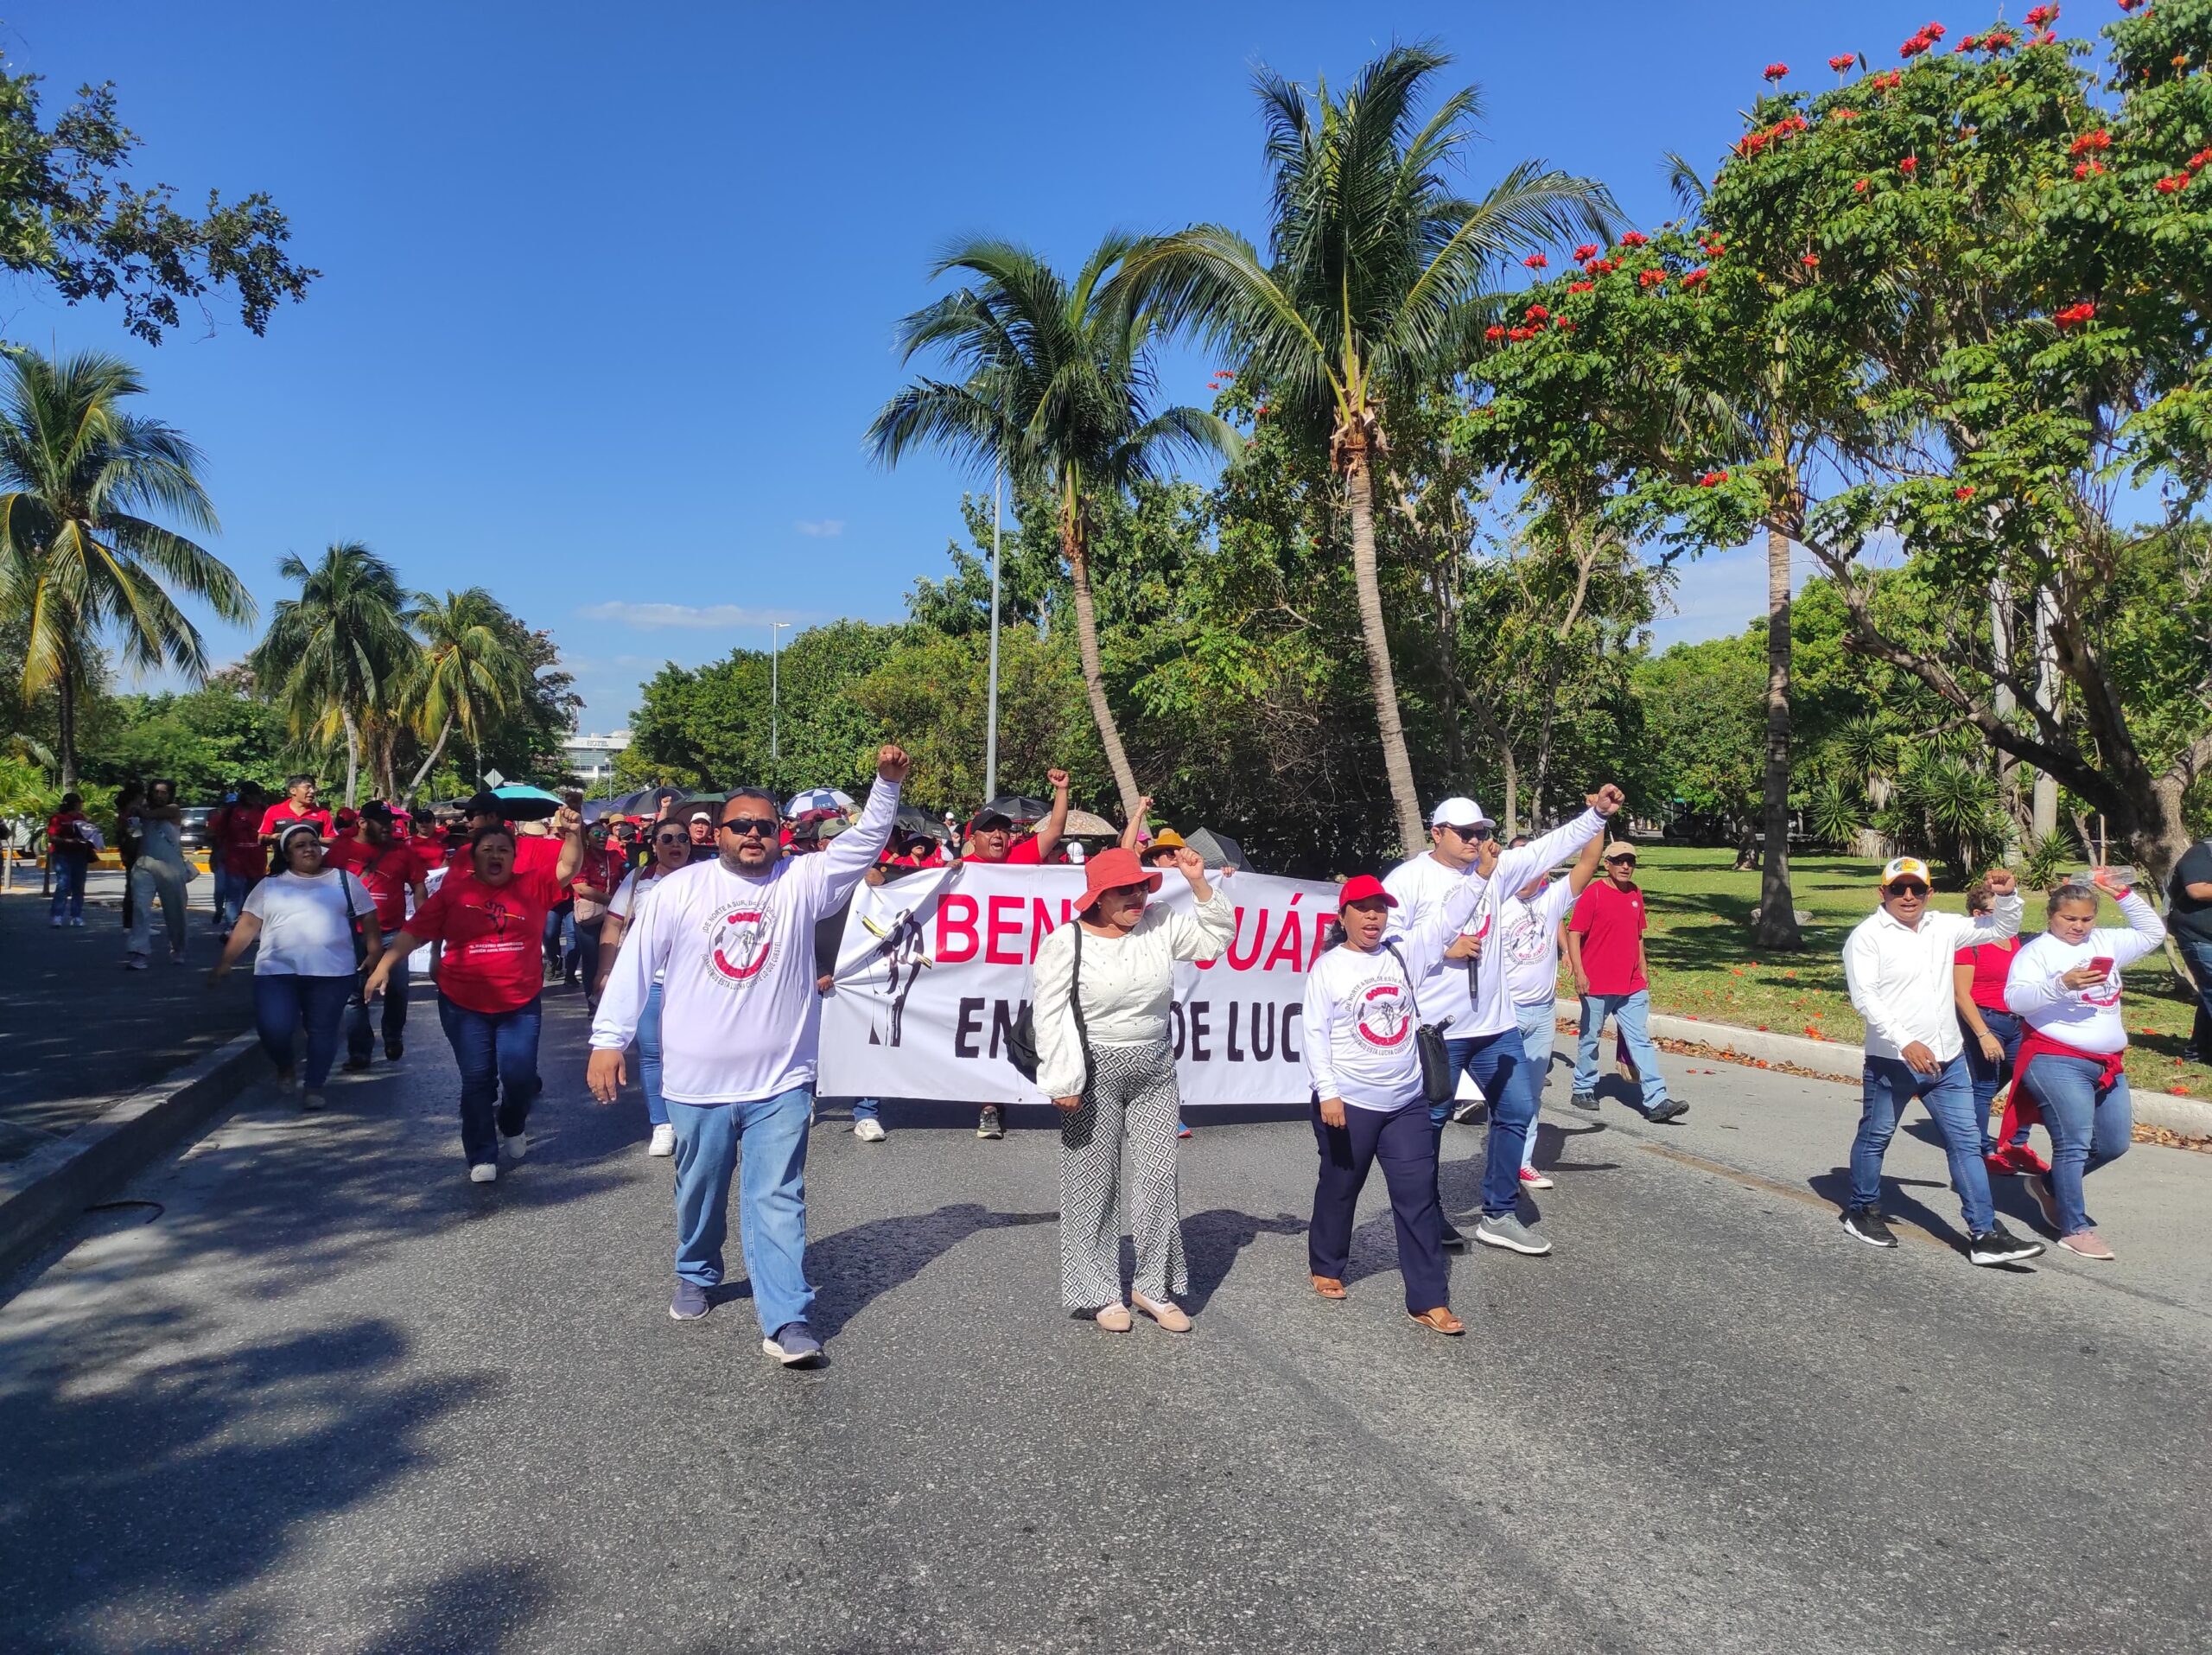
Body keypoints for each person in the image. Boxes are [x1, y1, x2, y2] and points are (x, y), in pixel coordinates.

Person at [588, 746, 910, 1370]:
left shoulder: (803, 881)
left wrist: (886, 783)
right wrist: (609, 1039)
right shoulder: (677, 890)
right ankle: (696, 1267)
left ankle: (787, 1317)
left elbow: (867, 840)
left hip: (781, 1081)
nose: (754, 834)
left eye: (766, 825)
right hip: (697, 1082)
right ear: (720, 834)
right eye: (742, 825)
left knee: (777, 1194)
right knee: (699, 1189)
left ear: (779, 833)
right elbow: (633, 966)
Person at [1383, 789, 1624, 1257]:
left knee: (1516, 1112)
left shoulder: (1495, 871)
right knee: (1429, 1125)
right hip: (1439, 1031)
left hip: (1496, 1027)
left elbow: (1551, 847)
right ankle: (1425, 1213)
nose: (1478, 840)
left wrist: (1596, 815)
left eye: (1483, 832)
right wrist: (1441, 946)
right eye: (1467, 833)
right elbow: (1387, 938)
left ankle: (1499, 1214)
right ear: (1437, 833)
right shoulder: (1409, 879)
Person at [1032, 844, 1232, 1334]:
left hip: (1155, 1067)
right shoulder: (1067, 942)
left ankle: (1152, 1286)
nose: (1136, 899)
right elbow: (1051, 1014)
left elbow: (1213, 942)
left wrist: (1200, 882)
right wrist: (1063, 1080)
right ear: (1098, 897)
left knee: (1159, 1180)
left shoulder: (1162, 922)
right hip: (1092, 1069)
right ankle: (1099, 1290)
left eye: (1141, 888)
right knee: (1091, 1184)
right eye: (1124, 892)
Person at [1305, 868, 1492, 1336]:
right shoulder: (1329, 967)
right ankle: (1327, 1261)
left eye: (1380, 909)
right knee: (1340, 1186)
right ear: (1342, 916)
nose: (1373, 916)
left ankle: (1428, 1299)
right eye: (1363, 909)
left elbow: (1447, 921)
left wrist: (1481, 878)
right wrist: (1328, 1093)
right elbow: (1314, 1034)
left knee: (1417, 1197)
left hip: (1406, 1101)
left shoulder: (1403, 952)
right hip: (1350, 1102)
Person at [1840, 856, 2044, 1264]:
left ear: (1930, 893)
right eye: (1899, 889)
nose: (1909, 896)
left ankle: (1983, 1233)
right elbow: (1866, 999)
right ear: (1884, 893)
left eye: (1917, 889)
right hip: (1893, 1062)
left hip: (1948, 1060)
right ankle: (1862, 1209)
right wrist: (1905, 1042)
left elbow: (2002, 928)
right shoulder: (1867, 938)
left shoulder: (1943, 927)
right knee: (1877, 1135)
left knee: (1967, 1142)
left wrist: (2007, 898)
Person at [364, 810, 585, 1183]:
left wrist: (575, 833)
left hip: (520, 1002)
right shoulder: (454, 894)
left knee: (519, 1077)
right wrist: (384, 965)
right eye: (487, 849)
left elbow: (568, 865)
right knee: (478, 1078)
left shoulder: (532, 885)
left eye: (503, 850)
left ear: (514, 858)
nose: (495, 855)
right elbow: (413, 933)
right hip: (463, 1003)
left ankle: (512, 1122)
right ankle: (481, 1153)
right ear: (473, 856)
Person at [2006, 872, 2166, 1260]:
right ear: (2051, 917)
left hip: (2107, 1063)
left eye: (2086, 919)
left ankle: (2046, 1185)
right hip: (2055, 1059)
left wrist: (2124, 894)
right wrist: (2061, 985)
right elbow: (2015, 999)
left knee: (2113, 1144)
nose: (2078, 927)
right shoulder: (2038, 952)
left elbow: (2152, 933)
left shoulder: (2106, 941)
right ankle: (2074, 1227)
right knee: (2073, 1143)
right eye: (2069, 919)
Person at [209, 822, 381, 1111]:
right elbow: (248, 925)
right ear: (287, 854)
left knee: (323, 1031)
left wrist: (375, 953)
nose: (309, 849)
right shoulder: (270, 885)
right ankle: (285, 1065)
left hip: (333, 972)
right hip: (276, 971)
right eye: (300, 845)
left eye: (313, 843)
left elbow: (369, 918)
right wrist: (226, 962)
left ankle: (314, 1086)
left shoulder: (343, 881)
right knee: (273, 1027)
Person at [962, 766, 1071, 1140]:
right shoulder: (961, 871)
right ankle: (988, 1105)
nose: (998, 835)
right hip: (978, 970)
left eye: (1003, 830)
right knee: (983, 1035)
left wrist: (1061, 791)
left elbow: (1054, 831)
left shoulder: (1022, 859)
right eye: (989, 830)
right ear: (972, 838)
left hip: (1021, 969)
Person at [1495, 831, 1606, 1188]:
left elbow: (1589, 861)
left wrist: (1599, 818)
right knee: (1504, 1094)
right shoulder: (1492, 901)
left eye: (1536, 867)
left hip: (1542, 1013)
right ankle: (1499, 1159)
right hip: (1503, 1014)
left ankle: (1522, 1162)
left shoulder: (1552, 898)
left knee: (1531, 1094)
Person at [592, 817, 695, 1156]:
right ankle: (661, 1124)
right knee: (652, 1054)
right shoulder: (637, 882)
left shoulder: (704, 880)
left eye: (682, 838)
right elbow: (612, 926)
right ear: (654, 845)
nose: (676, 844)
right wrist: (605, 970)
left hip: (693, 985)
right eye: (667, 838)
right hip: (652, 982)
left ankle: (691, 1116)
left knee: (690, 1052)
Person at [1567, 843, 1685, 1123]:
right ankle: (1583, 1088)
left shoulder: (1635, 893)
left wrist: (1643, 969)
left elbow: (1638, 935)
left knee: (1640, 1040)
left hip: (1631, 983)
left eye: (1630, 861)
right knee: (1591, 1037)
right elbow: (1574, 933)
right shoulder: (1593, 893)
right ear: (1606, 863)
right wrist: (1580, 972)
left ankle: (1657, 1100)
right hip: (1596, 982)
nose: (1625, 866)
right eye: (1619, 861)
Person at [1952, 877, 2045, 1177]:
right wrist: (1983, 1034)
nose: (2005, 915)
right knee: (1984, 1086)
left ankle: (2016, 1143)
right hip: (1985, 1019)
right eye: (1997, 909)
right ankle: (1982, 1150)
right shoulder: (1970, 944)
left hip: (2017, 1021)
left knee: (2027, 1081)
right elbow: (1961, 995)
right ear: (1979, 915)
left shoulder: (2012, 938)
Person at [327, 803, 429, 1066]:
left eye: (390, 821)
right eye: (381, 821)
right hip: (350, 934)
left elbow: (419, 885)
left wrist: (423, 920)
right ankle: (360, 1052)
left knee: (398, 989)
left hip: (392, 934)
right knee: (354, 995)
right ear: (362, 823)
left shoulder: (402, 852)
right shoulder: (341, 851)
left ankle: (393, 1035)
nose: (389, 826)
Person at [124, 779, 192, 970]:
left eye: (164, 792)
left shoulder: (172, 809)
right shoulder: (141, 812)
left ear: (170, 795)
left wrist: (137, 810)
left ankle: (178, 948)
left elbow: (152, 815)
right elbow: (134, 836)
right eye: (156, 792)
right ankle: (139, 952)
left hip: (171, 867)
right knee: (140, 908)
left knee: (175, 910)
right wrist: (129, 825)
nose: (159, 796)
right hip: (144, 864)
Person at [2167, 831, 2212, 1064]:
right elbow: (2197, 889)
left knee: (2209, 993)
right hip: (2199, 936)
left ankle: (2199, 1051)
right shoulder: (2202, 852)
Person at [208, 782, 269, 938]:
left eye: (255, 795)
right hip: (234, 859)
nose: (251, 798)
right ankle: (233, 926)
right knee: (233, 896)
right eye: (248, 794)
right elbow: (219, 835)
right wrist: (215, 854)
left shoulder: (264, 811)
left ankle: (254, 927)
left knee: (254, 896)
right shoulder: (231, 812)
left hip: (257, 859)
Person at [44, 791, 98, 927]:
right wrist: (69, 841)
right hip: (62, 854)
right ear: (74, 804)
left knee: (79, 886)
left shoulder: (82, 817)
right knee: (63, 885)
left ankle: (76, 916)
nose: (81, 805)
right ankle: (57, 916)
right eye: (80, 802)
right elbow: (52, 837)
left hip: (80, 855)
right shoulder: (58, 818)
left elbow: (88, 833)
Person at [257, 774, 330, 850]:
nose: (312, 791)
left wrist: (310, 840)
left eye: (313, 788)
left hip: (310, 860)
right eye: (307, 787)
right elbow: (261, 839)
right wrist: (276, 837)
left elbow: (333, 840)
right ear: (293, 790)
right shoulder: (273, 811)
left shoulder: (322, 813)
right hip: (281, 861)